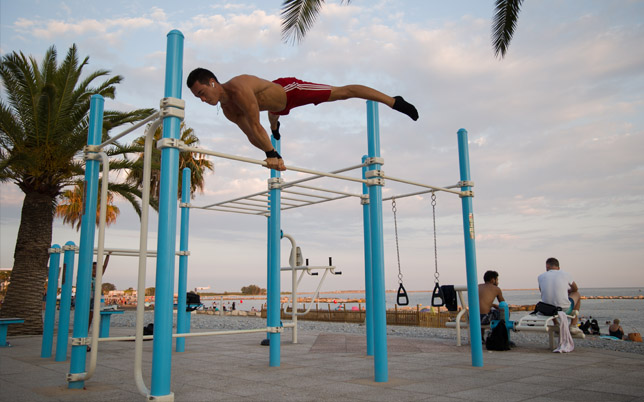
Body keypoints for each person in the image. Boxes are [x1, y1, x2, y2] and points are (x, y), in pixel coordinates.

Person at [187, 68, 419, 171]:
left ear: (212, 82)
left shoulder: (238, 87)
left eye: (201, 93)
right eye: (198, 97)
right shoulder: (228, 110)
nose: (202, 99)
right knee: (272, 123)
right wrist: (272, 154)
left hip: (289, 91)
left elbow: (254, 125)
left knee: (342, 93)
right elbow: (251, 134)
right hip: (273, 108)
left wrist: (271, 154)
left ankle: (393, 100)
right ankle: (277, 130)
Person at [537, 257, 582, 332]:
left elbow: (542, 291)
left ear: (547, 266)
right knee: (577, 294)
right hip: (564, 310)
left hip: (547, 310)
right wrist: (569, 291)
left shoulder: (540, 276)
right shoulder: (566, 274)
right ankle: (573, 325)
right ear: (558, 267)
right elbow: (575, 289)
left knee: (549, 300)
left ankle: (556, 324)